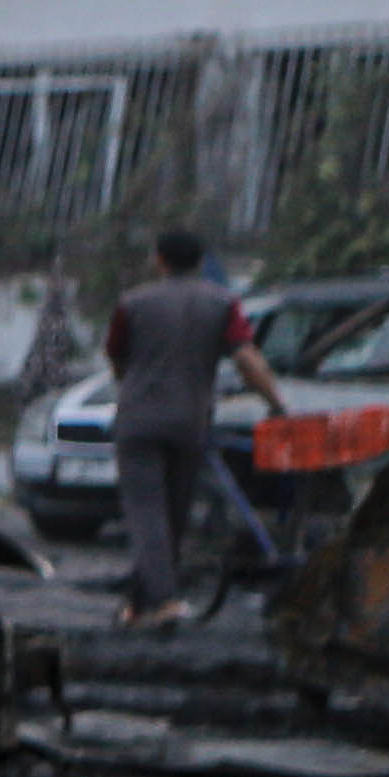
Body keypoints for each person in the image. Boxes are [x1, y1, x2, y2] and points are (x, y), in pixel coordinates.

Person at [105, 228, 287, 627]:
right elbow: (248, 360)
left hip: (138, 419)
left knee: (146, 513)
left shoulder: (132, 303)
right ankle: (139, 605)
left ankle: (165, 601)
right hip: (190, 421)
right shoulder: (223, 304)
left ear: (159, 260)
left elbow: (117, 360)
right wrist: (277, 404)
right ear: (202, 261)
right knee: (172, 514)